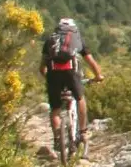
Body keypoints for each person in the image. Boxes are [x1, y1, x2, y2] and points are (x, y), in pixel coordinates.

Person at [41, 17, 104, 151]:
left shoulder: (50, 40)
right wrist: (98, 76)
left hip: (53, 74)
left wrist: (49, 78)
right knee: (80, 98)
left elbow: (42, 68)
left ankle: (58, 139)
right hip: (71, 72)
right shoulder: (76, 38)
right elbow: (91, 62)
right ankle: (83, 132)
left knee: (55, 109)